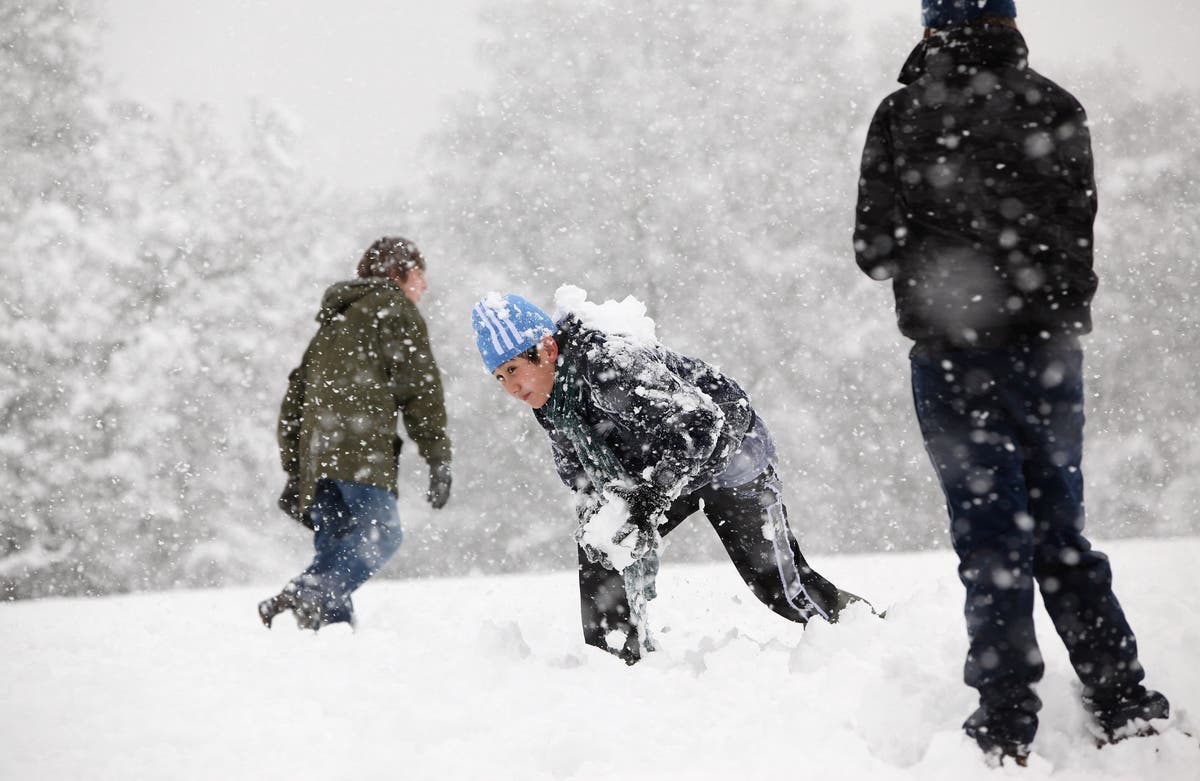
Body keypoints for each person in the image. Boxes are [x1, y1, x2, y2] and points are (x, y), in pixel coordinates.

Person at [853, 0, 1169, 763]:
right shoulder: (1057, 107)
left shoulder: (902, 116)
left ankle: (1004, 720)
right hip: (1048, 357)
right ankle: (1123, 700)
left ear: (932, 25)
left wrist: (942, 265)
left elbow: (873, 249)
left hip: (952, 359)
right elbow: (1075, 243)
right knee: (1060, 531)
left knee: (990, 536)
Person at [471, 288, 867, 665]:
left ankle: (871, 634)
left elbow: (700, 425)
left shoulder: (609, 365)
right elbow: (580, 473)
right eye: (500, 378)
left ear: (549, 349)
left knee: (780, 587)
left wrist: (651, 496)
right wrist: (602, 517)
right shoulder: (551, 403)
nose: (511, 387)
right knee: (603, 549)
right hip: (654, 471)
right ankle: (619, 669)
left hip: (729, 453)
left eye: (513, 370)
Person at [258, 236, 452, 630]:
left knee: (337, 542)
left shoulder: (334, 322)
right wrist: (438, 457)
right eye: (419, 275)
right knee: (382, 534)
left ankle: (329, 635)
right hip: (360, 453)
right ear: (398, 274)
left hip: (318, 458)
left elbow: (294, 399)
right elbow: (420, 391)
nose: (424, 286)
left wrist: (295, 466)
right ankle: (309, 591)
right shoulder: (395, 311)